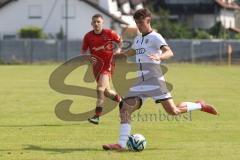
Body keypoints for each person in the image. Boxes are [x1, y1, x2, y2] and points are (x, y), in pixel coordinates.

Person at [102, 8, 218, 150]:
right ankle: (121, 144)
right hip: (140, 81)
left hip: (155, 80)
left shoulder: (156, 37)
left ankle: (200, 105)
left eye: (141, 22)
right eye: (137, 22)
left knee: (173, 111)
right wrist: (116, 56)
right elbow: (132, 51)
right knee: (125, 109)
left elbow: (169, 51)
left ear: (148, 21)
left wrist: (160, 57)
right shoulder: (138, 39)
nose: (139, 25)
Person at [82, 14, 122, 125]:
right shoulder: (88, 36)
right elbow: (84, 51)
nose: (96, 24)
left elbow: (119, 42)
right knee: (107, 92)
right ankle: (122, 101)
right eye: (94, 22)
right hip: (96, 67)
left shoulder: (109, 33)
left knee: (99, 89)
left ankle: (96, 116)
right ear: (91, 23)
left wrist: (118, 50)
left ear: (102, 23)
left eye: (98, 22)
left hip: (108, 65)